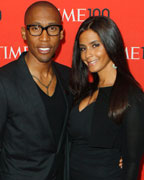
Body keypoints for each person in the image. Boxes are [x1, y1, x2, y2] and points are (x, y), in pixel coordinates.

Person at [0, 1, 72, 180]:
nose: (45, 37)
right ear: (24, 33)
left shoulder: (70, 76)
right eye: (36, 28)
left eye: (52, 28)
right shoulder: (4, 81)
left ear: (61, 33)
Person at [68, 16, 144, 180]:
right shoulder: (83, 90)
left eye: (95, 45)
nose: (88, 54)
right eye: (82, 48)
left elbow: (132, 163)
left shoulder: (131, 96)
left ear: (111, 43)